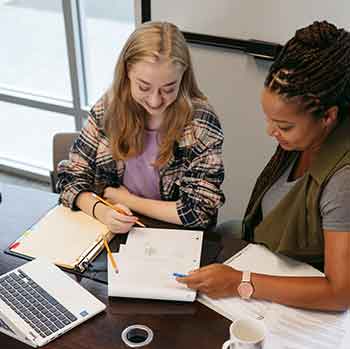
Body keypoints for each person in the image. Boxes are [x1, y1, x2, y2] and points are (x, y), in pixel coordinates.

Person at [179, 21, 350, 312]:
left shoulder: (342, 182)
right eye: (269, 119)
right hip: (266, 253)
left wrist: (240, 282)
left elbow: (339, 293)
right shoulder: (304, 137)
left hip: (298, 303)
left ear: (328, 117)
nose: (270, 131)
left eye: (283, 125)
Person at [57, 21, 225, 234]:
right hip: (117, 229)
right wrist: (102, 211)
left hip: (176, 237)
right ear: (127, 71)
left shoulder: (200, 123)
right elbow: (71, 177)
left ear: (183, 77)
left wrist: (127, 200)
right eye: (144, 87)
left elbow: (200, 212)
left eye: (168, 88)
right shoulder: (108, 108)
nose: (155, 101)